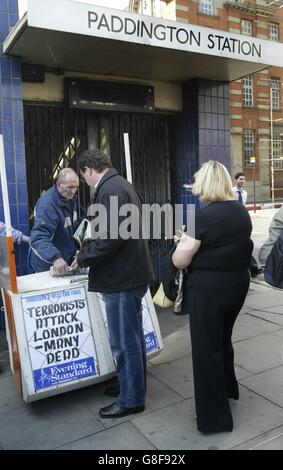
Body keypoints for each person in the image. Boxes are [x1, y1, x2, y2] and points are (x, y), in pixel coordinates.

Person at [72, 149, 154, 419]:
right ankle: (132, 384)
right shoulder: (122, 185)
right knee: (132, 337)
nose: (85, 181)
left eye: (83, 176)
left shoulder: (109, 190)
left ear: (88, 169)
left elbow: (110, 238)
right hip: (130, 273)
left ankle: (131, 398)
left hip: (121, 277)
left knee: (123, 341)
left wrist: (83, 256)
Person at [172, 160, 253, 434]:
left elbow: (180, 261)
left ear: (205, 185)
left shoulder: (203, 217)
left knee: (206, 350)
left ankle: (214, 419)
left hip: (209, 291)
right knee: (222, 339)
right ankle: (229, 389)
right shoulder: (241, 211)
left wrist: (180, 242)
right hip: (236, 286)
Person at [29, 168, 80, 273]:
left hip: (66, 259)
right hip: (46, 263)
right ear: (58, 184)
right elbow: (38, 237)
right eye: (70, 187)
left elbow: (74, 225)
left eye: (76, 187)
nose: (73, 191)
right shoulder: (47, 205)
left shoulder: (71, 198)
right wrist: (55, 257)